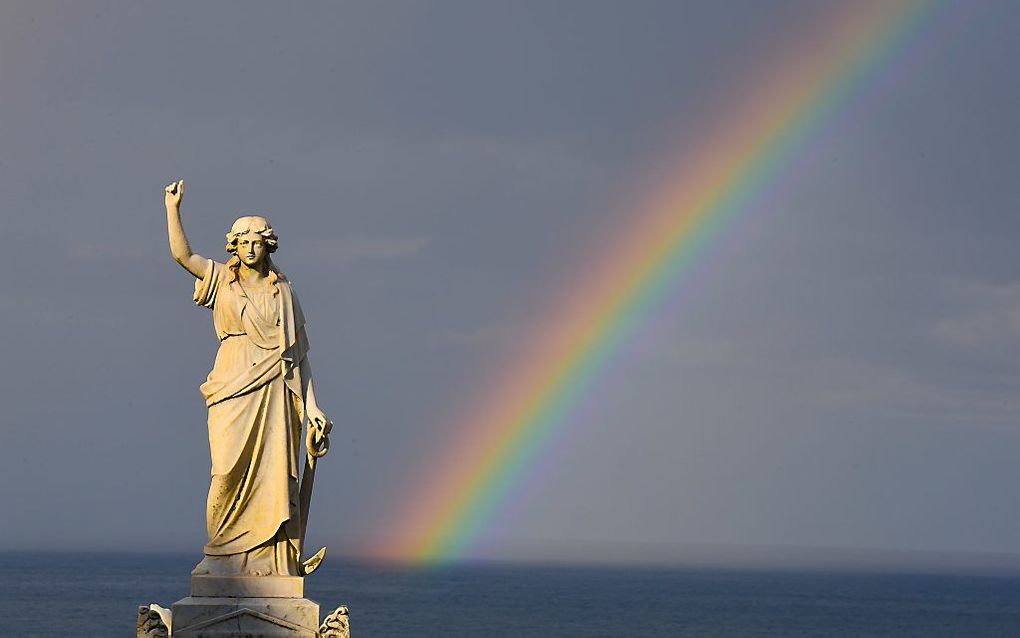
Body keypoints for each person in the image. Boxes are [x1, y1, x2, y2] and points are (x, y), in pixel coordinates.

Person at [163, 179, 331, 577]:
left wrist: (313, 407)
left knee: (273, 476)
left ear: (268, 245)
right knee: (225, 471)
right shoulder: (220, 278)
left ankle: (269, 560)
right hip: (232, 382)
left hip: (276, 391)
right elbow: (182, 255)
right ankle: (219, 555)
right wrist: (173, 209)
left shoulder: (284, 292)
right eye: (243, 241)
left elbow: (299, 357)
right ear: (233, 245)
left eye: (257, 241)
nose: (250, 247)